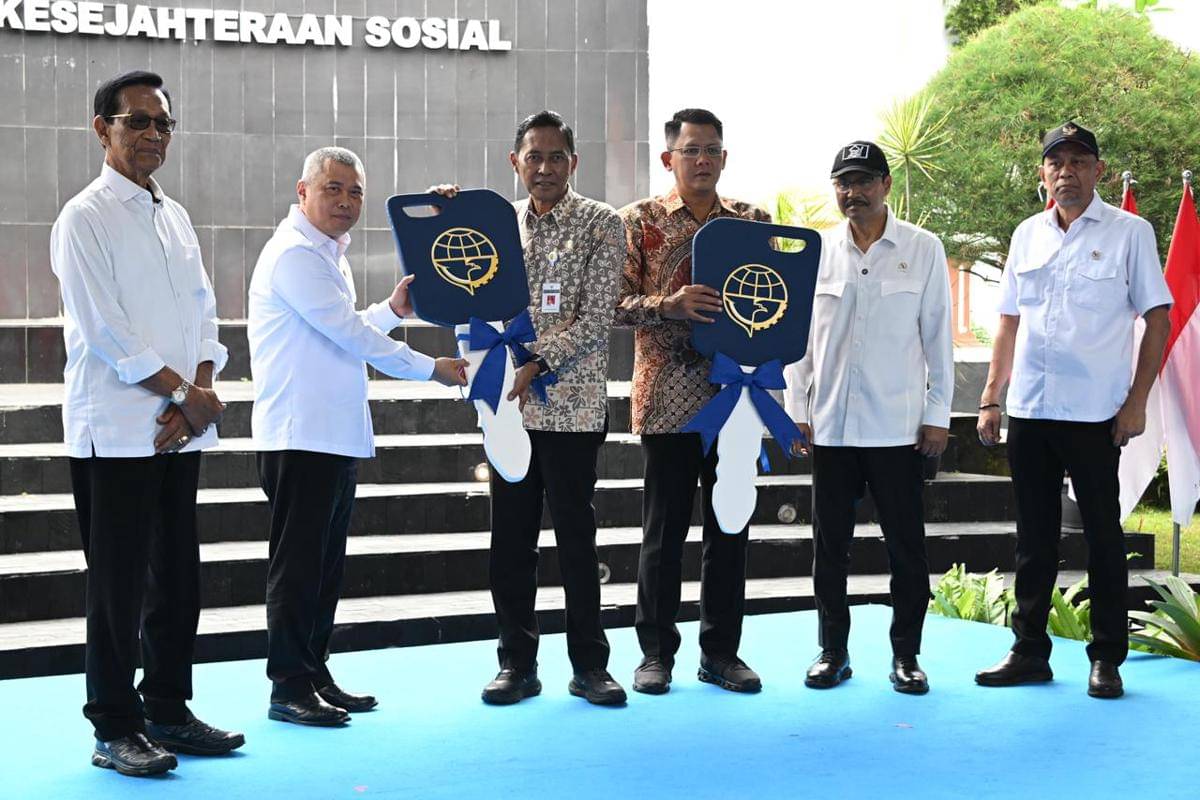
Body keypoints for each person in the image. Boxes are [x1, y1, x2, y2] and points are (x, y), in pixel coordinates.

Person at [50, 70, 243, 777]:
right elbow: (106, 330)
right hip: (116, 431)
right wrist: (186, 395)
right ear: (102, 129)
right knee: (118, 588)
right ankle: (114, 726)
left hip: (177, 428)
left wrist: (200, 392)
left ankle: (167, 707)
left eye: (163, 123)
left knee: (178, 580)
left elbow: (204, 313)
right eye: (138, 122)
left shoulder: (176, 215)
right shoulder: (84, 217)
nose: (153, 135)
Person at [248, 147, 467, 726]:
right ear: (302, 191)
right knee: (298, 570)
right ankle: (288, 687)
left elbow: (344, 330)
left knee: (323, 569)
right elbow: (349, 335)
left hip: (332, 436)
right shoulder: (295, 256)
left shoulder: (327, 255)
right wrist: (431, 369)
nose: (346, 201)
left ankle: (313, 673)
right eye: (333, 189)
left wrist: (392, 310)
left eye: (355, 192)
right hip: (300, 436)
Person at [431, 110, 628, 706]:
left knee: (576, 539)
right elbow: (452, 270)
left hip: (571, 408)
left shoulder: (601, 223)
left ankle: (590, 667)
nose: (544, 167)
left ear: (574, 162)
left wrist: (538, 363)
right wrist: (448, 213)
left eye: (556, 156)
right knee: (510, 541)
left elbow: (597, 318)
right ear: (514, 162)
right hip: (505, 409)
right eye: (533, 157)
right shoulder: (496, 224)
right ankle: (516, 664)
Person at [975, 122, 1172, 699]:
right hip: (1031, 409)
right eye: (1056, 163)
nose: (1067, 172)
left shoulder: (1129, 232)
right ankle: (1028, 651)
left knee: (1103, 536)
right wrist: (991, 396)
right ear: (1043, 174)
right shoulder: (1026, 234)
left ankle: (1107, 656)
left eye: (1079, 161)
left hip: (1095, 414)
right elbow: (1008, 321)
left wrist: (1136, 402)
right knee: (1033, 538)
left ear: (1098, 171)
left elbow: (1157, 319)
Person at [783, 141, 953, 695]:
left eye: (862, 181)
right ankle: (832, 651)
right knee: (829, 548)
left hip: (898, 428)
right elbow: (801, 342)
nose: (852, 192)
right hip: (831, 426)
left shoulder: (923, 249)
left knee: (907, 549)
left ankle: (907, 656)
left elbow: (938, 338)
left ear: (885, 185)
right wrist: (796, 409)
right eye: (843, 183)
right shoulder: (817, 252)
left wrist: (937, 415)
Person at [615, 108, 770, 695]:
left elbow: (778, 294)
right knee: (663, 535)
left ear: (724, 157)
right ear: (668, 158)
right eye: (690, 150)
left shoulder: (753, 221)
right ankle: (655, 655)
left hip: (737, 398)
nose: (702, 160)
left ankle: (722, 653)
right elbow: (611, 305)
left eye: (711, 150)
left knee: (730, 528)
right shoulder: (637, 222)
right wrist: (668, 305)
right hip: (668, 401)